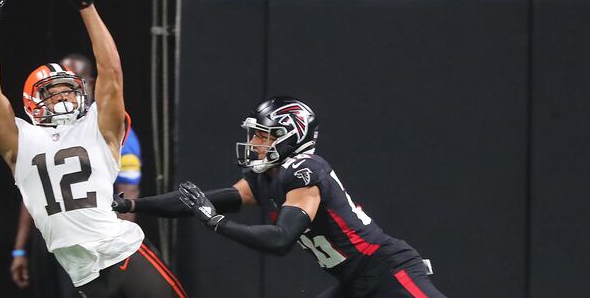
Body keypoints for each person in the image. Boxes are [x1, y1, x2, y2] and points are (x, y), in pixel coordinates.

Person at [0, 0, 186, 298]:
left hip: (123, 254)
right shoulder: (20, 141)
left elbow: (112, 72)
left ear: (82, 92)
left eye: (67, 89)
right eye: (51, 91)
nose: (60, 97)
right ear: (31, 101)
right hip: (82, 270)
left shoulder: (98, 126)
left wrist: (87, 6)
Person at [112, 96, 447, 298]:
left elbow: (281, 239)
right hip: (354, 281)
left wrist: (216, 222)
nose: (256, 142)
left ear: (292, 137)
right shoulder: (266, 176)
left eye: (264, 135)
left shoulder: (304, 170)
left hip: (386, 270)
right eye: (255, 134)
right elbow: (205, 200)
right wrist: (131, 204)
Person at [9, 53, 145, 297]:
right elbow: (31, 192)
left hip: (98, 240)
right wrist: (20, 248)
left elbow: (130, 191)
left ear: (88, 83)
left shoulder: (107, 126)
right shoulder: (38, 134)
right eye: (53, 88)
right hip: (56, 238)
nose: (61, 95)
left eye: (71, 84)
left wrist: (120, 256)